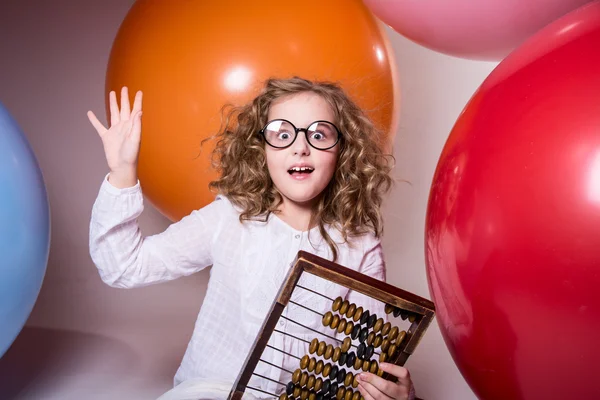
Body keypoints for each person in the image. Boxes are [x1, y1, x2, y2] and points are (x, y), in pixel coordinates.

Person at [87, 77, 416, 399]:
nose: (300, 148)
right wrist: (122, 172)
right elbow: (124, 267)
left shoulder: (359, 244)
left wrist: (398, 397)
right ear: (262, 149)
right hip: (214, 392)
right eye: (282, 134)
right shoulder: (230, 218)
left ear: (341, 150)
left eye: (318, 134)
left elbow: (365, 358)